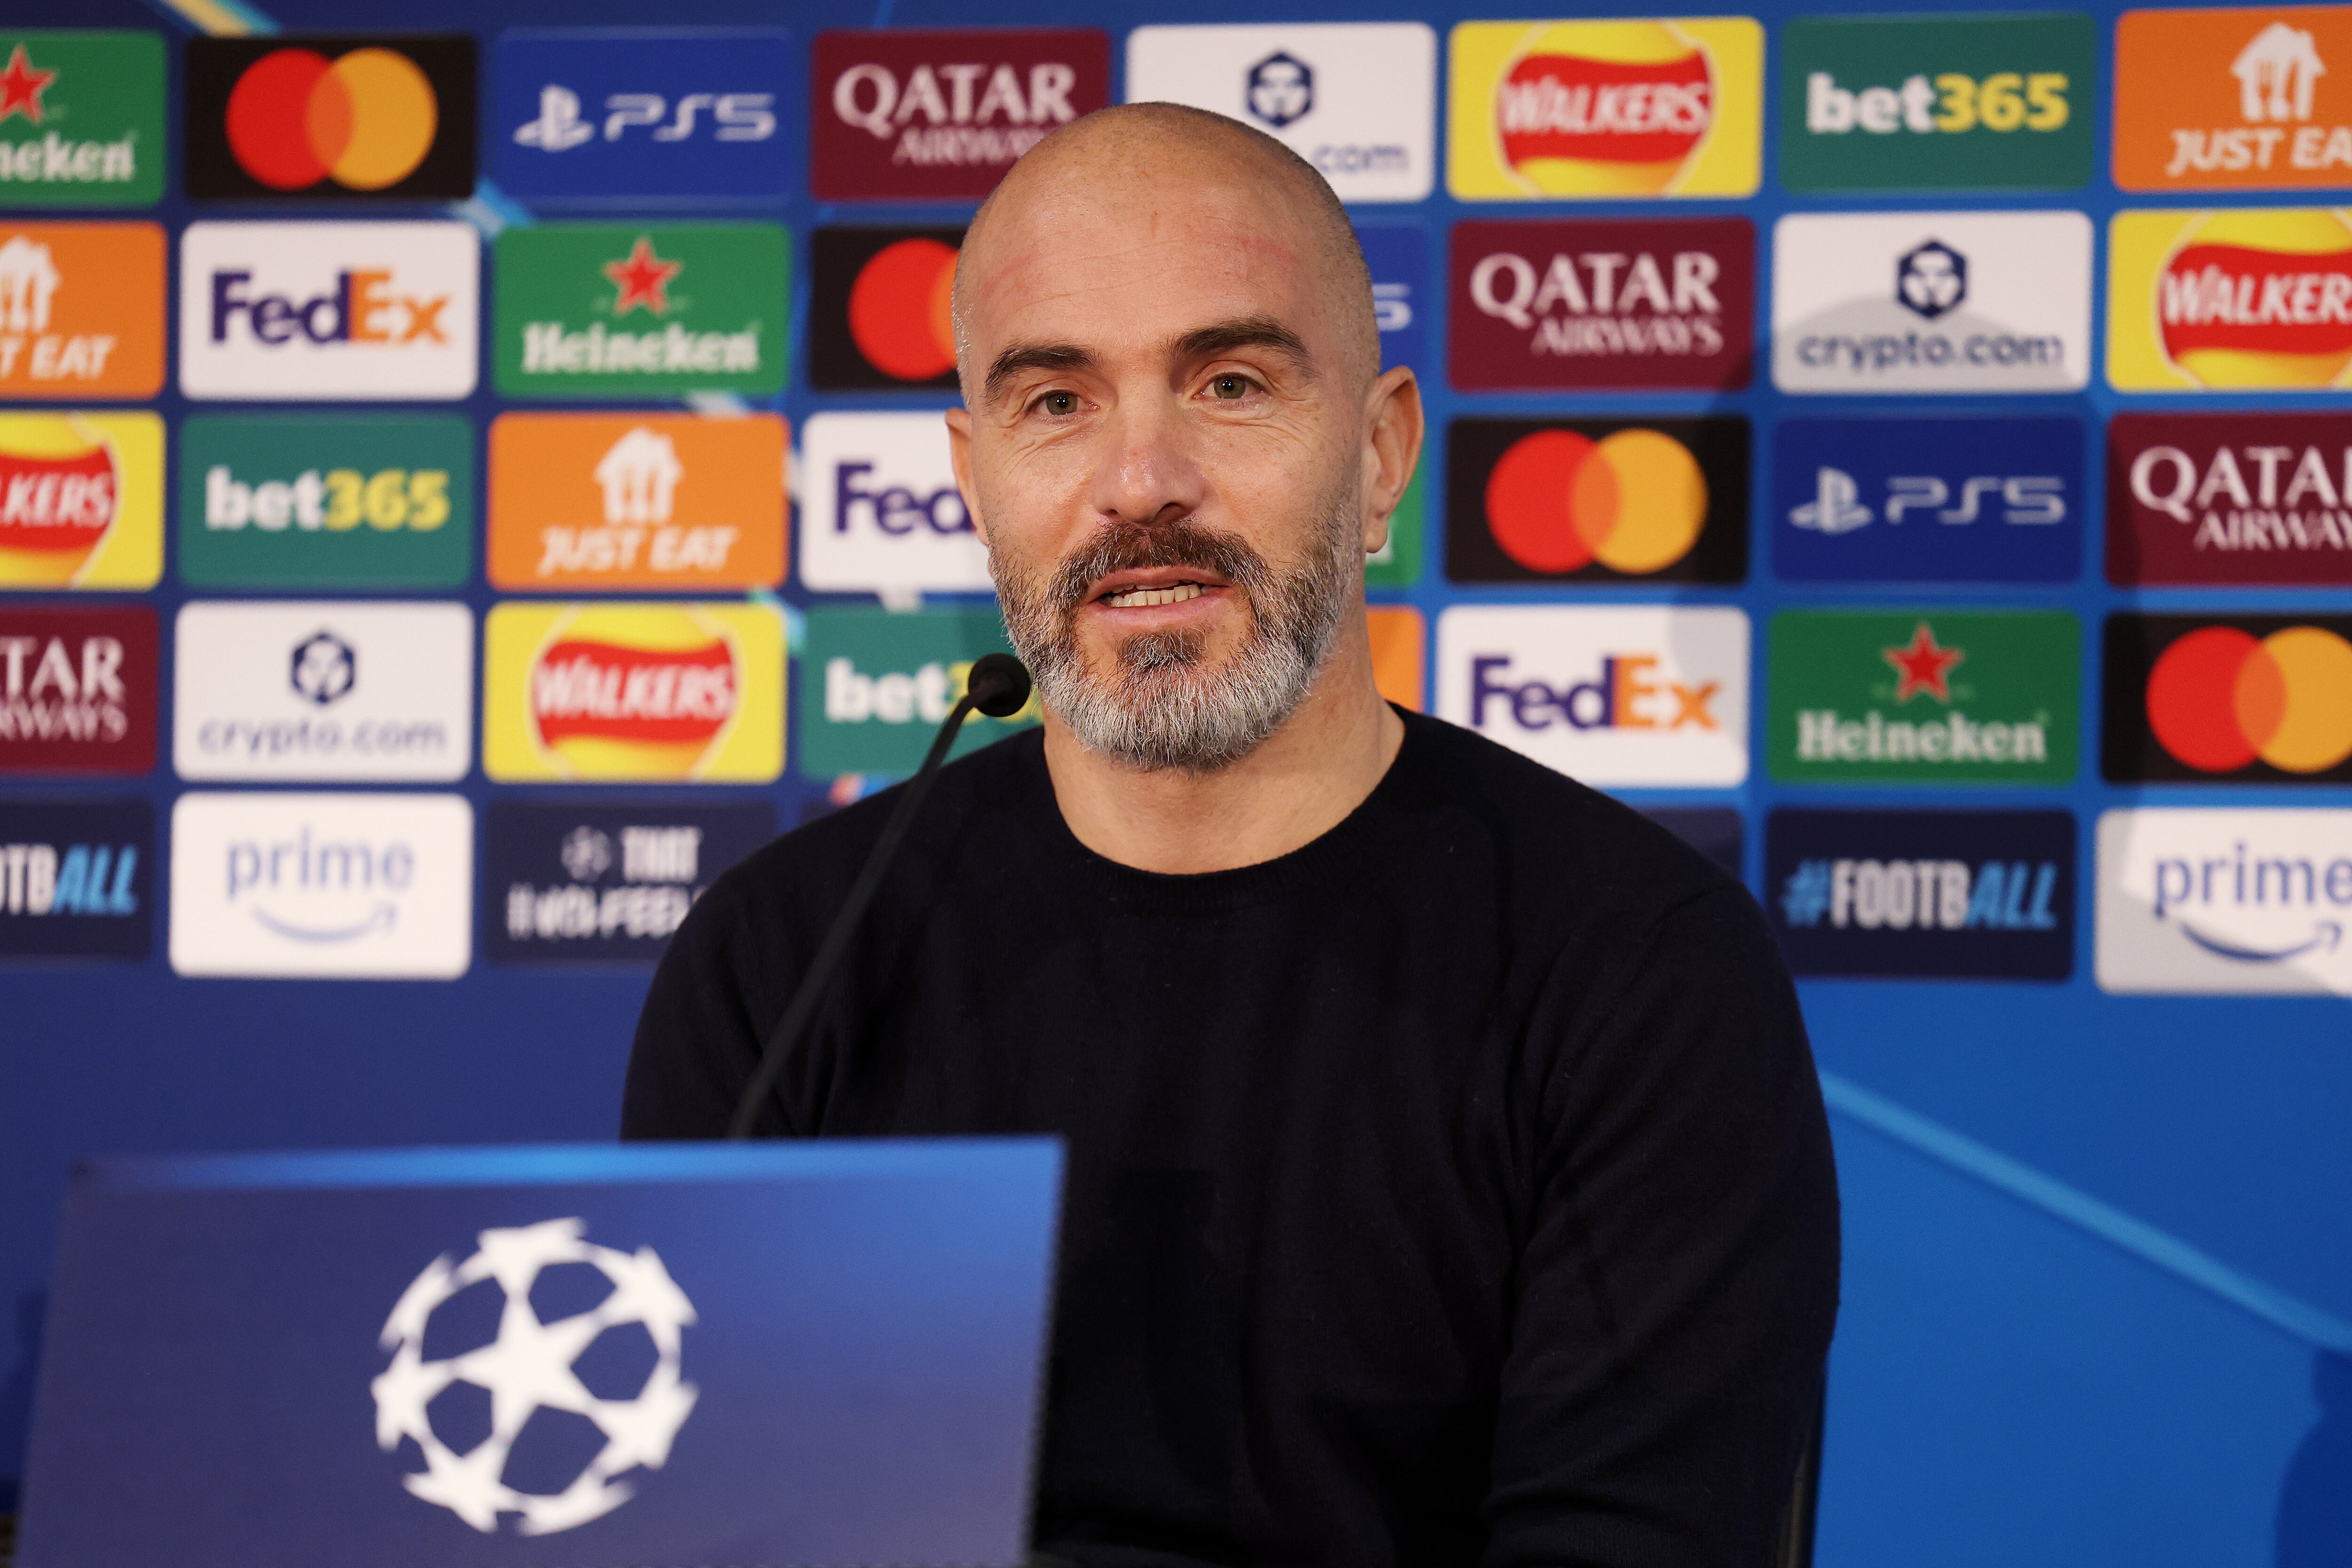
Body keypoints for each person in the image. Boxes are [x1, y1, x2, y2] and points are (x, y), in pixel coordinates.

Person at [625, 103, 1839, 1568]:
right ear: (973, 477)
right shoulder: (788, 961)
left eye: (1231, 383)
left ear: (1380, 453)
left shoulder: (1640, 971)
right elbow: (684, 1521)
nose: (1141, 481)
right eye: (1056, 401)